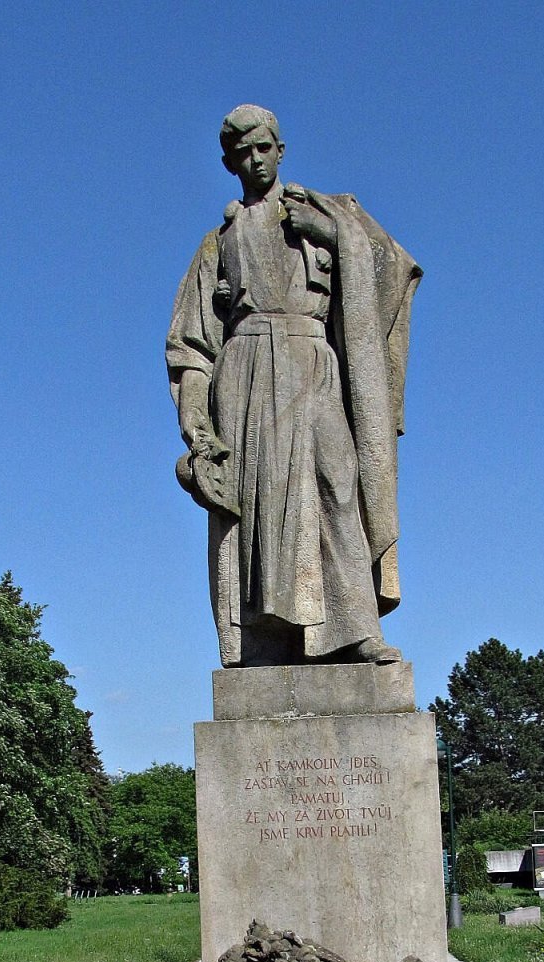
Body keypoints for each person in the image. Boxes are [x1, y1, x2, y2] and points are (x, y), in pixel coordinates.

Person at [167, 105, 421, 667]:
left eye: (263, 148)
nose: (254, 161)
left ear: (281, 150)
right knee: (252, 511)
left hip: (313, 363)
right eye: (241, 154)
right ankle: (262, 644)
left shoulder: (329, 215)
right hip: (246, 374)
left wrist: (332, 236)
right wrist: (197, 427)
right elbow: (191, 346)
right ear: (228, 163)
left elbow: (391, 269)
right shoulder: (218, 242)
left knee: (337, 484)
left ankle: (356, 629)